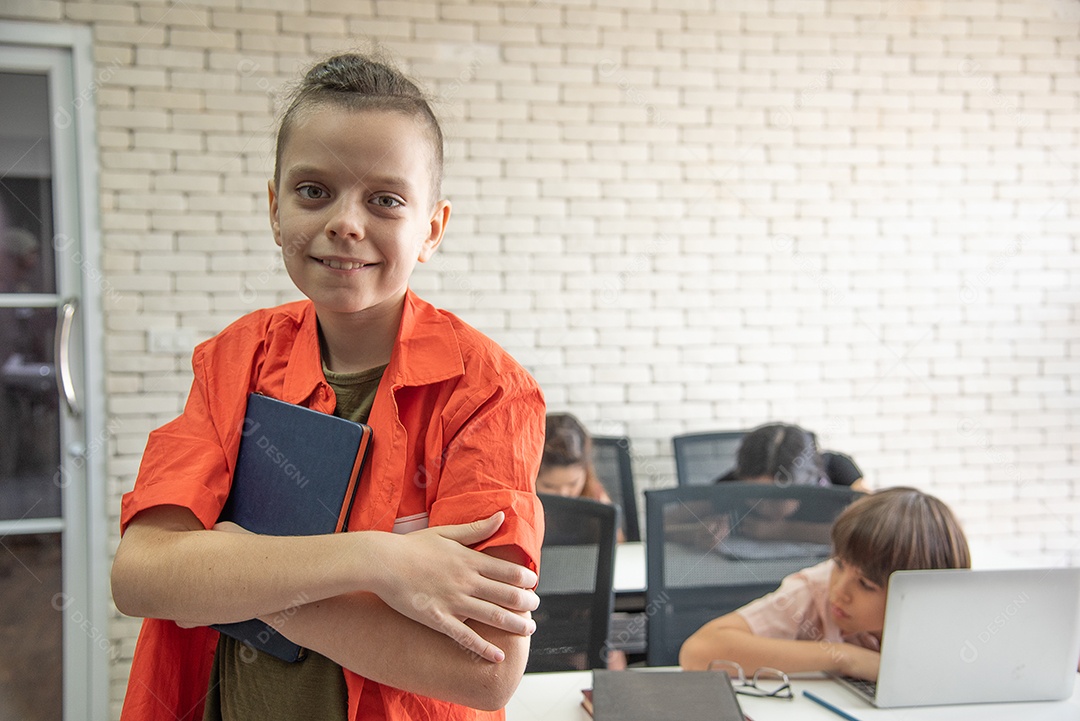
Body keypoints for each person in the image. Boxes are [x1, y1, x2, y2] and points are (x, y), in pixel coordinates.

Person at [110, 53, 547, 721]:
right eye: (314, 190)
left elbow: (484, 668)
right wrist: (377, 560)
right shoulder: (234, 359)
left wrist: (232, 569)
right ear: (274, 208)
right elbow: (141, 575)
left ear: (431, 228)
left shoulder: (487, 392)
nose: (346, 221)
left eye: (385, 200)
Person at [679, 487, 971, 680]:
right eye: (840, 565)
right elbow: (699, 651)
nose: (839, 591)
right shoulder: (814, 590)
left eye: (866, 585)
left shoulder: (955, 613)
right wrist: (845, 657)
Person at [715, 422, 868, 492]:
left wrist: (781, 530)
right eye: (756, 493)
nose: (766, 506)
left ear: (807, 480)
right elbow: (692, 511)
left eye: (779, 495)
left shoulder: (836, 469)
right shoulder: (735, 484)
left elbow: (876, 524)